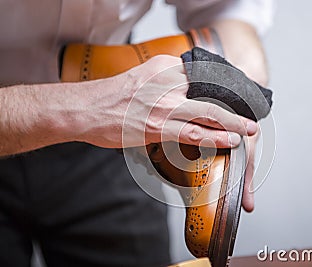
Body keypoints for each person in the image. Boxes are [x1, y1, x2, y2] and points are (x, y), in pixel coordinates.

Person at [0, 0, 273, 266]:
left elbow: (225, 10)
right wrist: (87, 106)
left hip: (116, 133)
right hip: (95, 109)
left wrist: (225, 87)